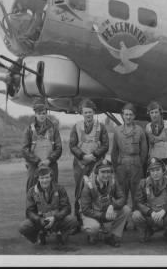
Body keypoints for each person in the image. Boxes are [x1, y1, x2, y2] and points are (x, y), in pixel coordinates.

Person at [69, 98, 109, 233]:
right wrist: (83, 156)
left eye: (90, 112)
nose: (88, 115)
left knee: (97, 192)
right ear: (82, 113)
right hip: (80, 164)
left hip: (95, 164)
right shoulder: (76, 127)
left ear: (94, 112)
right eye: (85, 112)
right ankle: (77, 222)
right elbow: (72, 145)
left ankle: (99, 221)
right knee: (79, 193)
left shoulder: (101, 127)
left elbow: (105, 145)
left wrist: (94, 155)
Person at [18, 166, 77, 246]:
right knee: (23, 227)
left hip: (56, 219)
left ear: (51, 177)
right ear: (38, 178)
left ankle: (61, 234)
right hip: (40, 220)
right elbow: (29, 211)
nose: (44, 180)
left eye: (47, 177)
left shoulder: (60, 189)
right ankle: (38, 236)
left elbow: (67, 208)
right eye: (42, 178)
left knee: (72, 220)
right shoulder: (31, 191)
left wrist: (55, 218)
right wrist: (39, 220)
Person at [132, 158, 167, 245]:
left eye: (158, 170)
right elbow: (138, 202)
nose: (155, 173)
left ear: (163, 170)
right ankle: (148, 230)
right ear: (149, 172)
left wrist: (165, 210)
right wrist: (150, 212)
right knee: (136, 215)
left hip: (166, 215)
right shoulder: (143, 183)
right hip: (151, 216)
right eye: (152, 170)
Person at [80, 159, 131, 247]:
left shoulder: (113, 182)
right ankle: (94, 234)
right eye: (103, 172)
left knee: (126, 209)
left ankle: (112, 235)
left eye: (109, 172)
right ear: (97, 172)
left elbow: (122, 198)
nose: (106, 175)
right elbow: (85, 209)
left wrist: (112, 205)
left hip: (106, 211)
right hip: (92, 214)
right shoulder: (89, 185)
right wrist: (103, 216)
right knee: (92, 228)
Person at [111, 102, 148, 209]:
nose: (128, 117)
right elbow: (114, 151)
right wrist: (116, 167)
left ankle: (136, 221)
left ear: (134, 116)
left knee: (137, 194)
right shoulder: (117, 131)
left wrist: (139, 164)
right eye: (126, 114)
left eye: (130, 115)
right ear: (123, 115)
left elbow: (144, 151)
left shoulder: (140, 131)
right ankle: (123, 222)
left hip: (136, 164)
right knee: (121, 194)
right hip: (121, 164)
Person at [22, 98, 62, 192]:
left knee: (53, 189)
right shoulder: (29, 130)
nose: (42, 116)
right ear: (35, 114)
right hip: (34, 165)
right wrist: (37, 161)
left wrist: (49, 160)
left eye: (44, 113)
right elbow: (25, 150)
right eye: (39, 114)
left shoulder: (53, 129)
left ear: (46, 114)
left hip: (51, 164)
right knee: (31, 189)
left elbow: (59, 148)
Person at [144, 101, 167, 179]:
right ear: (149, 114)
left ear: (160, 113)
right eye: (152, 113)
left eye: (156, 112)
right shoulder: (147, 128)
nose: (154, 115)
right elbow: (146, 146)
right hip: (154, 163)